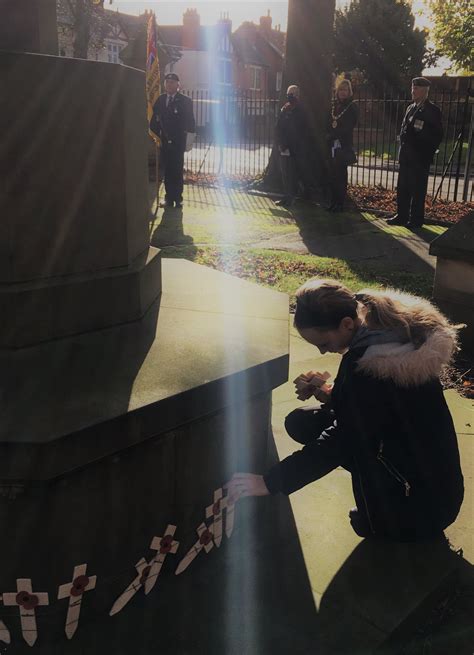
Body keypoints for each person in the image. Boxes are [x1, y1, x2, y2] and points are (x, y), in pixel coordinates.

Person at [226, 279, 464, 543]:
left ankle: (386, 509)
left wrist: (271, 482)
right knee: (301, 422)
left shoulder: (366, 367)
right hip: (439, 486)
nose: (321, 350)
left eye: (324, 342)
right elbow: (380, 407)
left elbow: (344, 440)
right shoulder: (393, 333)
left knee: (363, 524)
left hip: (423, 507)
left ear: (347, 324)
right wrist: (333, 392)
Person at [387, 77, 443, 228]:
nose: (413, 91)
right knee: (403, 187)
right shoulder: (410, 108)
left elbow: (437, 135)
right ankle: (402, 215)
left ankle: (416, 219)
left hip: (420, 157)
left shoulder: (432, 110)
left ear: (425, 91)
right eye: (412, 88)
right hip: (406, 155)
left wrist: (425, 152)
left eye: (416, 88)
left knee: (417, 189)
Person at [150, 73, 196, 208]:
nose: (169, 84)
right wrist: (154, 136)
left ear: (178, 85)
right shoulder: (161, 99)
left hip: (178, 141)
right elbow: (154, 120)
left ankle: (178, 198)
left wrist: (190, 140)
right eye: (167, 82)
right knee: (167, 170)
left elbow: (190, 122)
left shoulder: (185, 101)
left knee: (177, 170)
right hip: (164, 141)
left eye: (172, 82)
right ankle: (169, 198)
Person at [275, 85, 311, 208]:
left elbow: (300, 130)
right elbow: (278, 127)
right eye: (288, 93)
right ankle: (286, 196)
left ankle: (293, 197)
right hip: (283, 147)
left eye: (293, 93)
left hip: (295, 148)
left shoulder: (301, 110)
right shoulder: (284, 109)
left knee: (293, 174)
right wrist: (281, 143)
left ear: (298, 95)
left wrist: (289, 144)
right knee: (285, 173)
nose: (290, 95)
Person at [326, 79, 358, 212]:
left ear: (349, 91)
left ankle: (340, 203)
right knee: (333, 175)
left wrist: (335, 134)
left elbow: (348, 126)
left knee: (341, 175)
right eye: (340, 89)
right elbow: (329, 122)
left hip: (343, 144)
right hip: (332, 144)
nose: (342, 92)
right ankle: (333, 202)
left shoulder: (352, 106)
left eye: (345, 89)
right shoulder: (334, 106)